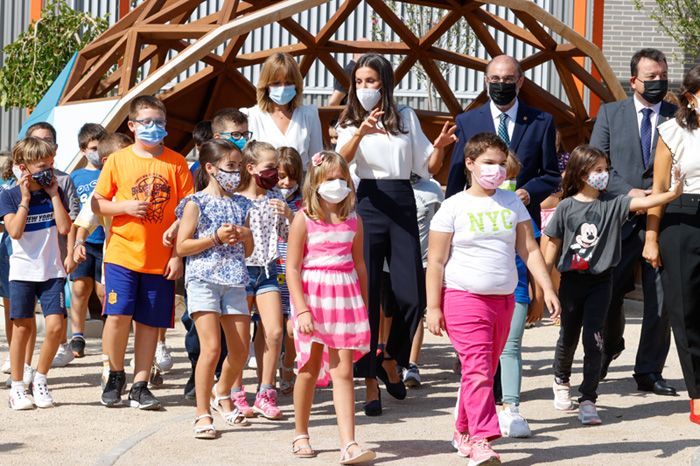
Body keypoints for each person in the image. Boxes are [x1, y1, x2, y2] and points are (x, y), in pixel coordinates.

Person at [426, 133, 560, 463]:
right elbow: (437, 260)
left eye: (501, 164)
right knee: (479, 370)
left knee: (482, 369)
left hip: (504, 299)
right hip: (463, 297)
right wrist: (432, 307)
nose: (496, 170)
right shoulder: (452, 206)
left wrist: (547, 288)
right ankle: (482, 439)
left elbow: (528, 249)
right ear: (470, 164)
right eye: (488, 163)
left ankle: (462, 431)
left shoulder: (511, 202)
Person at [336, 53, 456, 415]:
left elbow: (425, 167)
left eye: (371, 81)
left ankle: (391, 357)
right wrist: (359, 132)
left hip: (403, 198)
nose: (364, 88)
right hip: (368, 202)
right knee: (368, 298)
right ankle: (371, 381)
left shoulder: (405, 116)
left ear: (385, 84)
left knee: (411, 294)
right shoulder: (349, 120)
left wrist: (440, 147)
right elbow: (340, 163)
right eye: (358, 82)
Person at [543, 145, 683, 425]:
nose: (604, 175)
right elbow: (550, 250)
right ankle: (561, 380)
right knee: (568, 337)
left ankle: (588, 398)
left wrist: (673, 192)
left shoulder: (613, 202)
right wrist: (545, 289)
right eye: (598, 170)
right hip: (572, 282)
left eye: (606, 170)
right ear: (582, 173)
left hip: (602, 281)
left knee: (595, 339)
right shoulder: (566, 207)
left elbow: (644, 203)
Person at [92, 95, 194, 409]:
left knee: (150, 323)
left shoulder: (176, 162)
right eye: (146, 122)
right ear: (133, 125)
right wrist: (123, 207)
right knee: (118, 316)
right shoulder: (118, 160)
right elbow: (97, 202)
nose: (153, 128)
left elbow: (188, 210)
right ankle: (115, 374)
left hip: (160, 258)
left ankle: (140, 383)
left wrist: (177, 254)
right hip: (122, 253)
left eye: (159, 122)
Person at [589, 48, 677, 395]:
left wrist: (658, 196)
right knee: (608, 295)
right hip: (620, 217)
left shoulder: (678, 116)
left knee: (661, 299)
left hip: (665, 219)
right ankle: (610, 347)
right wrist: (631, 194)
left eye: (662, 75)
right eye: (651, 76)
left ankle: (649, 371)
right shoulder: (610, 114)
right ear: (634, 80)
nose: (659, 81)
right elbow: (596, 166)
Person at [286, 150, 374, 464]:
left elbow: (359, 264)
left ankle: (349, 442)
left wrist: (363, 304)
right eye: (330, 179)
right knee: (308, 368)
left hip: (345, 298)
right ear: (316, 183)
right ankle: (301, 433)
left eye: (342, 179)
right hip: (313, 297)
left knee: (344, 371)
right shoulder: (303, 219)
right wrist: (301, 309)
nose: (336, 184)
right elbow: (292, 268)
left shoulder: (354, 219)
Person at [175, 139, 253, 438]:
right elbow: (183, 246)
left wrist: (245, 236)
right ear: (210, 168)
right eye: (230, 167)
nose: (235, 174)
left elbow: (248, 251)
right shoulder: (196, 203)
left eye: (238, 167)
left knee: (240, 350)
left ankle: (223, 391)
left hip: (234, 280)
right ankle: (202, 413)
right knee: (211, 348)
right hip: (203, 280)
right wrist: (215, 238)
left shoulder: (242, 203)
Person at [643, 64, 700, 424]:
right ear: (692, 97)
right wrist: (651, 236)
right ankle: (699, 396)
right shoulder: (671, 131)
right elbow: (659, 190)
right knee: (686, 311)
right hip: (682, 222)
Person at [445, 55, 560, 227]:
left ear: (520, 82)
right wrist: (450, 218)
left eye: (508, 79)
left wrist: (528, 193)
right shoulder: (467, 121)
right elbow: (456, 177)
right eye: (495, 78)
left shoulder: (541, 122)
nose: (501, 84)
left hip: (522, 218)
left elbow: (551, 175)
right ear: (486, 81)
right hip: (478, 219)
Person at [1, 137, 72, 410]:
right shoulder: (8, 195)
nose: (49, 169)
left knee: (55, 326)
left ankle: (40, 379)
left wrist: (54, 195)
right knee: (22, 328)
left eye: (51, 163)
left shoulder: (56, 190)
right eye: (43, 165)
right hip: (21, 272)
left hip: (52, 270)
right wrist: (26, 199)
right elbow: (15, 231)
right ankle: (17, 386)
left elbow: (65, 227)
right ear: (23, 167)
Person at [72, 132, 133, 390]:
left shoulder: (142, 182)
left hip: (149, 262)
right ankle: (110, 369)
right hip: (117, 263)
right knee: (115, 316)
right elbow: (86, 218)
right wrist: (77, 243)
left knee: (141, 320)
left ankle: (145, 369)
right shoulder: (103, 190)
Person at [232, 140, 287, 420]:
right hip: (242, 272)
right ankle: (235, 390)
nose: (275, 173)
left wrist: (288, 216)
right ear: (251, 168)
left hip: (268, 270)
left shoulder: (276, 197)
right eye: (270, 167)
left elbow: (289, 235)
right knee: (239, 338)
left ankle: (266, 392)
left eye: (276, 167)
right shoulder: (236, 199)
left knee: (274, 332)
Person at [378, 172, 444, 389]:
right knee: (389, 312)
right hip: (390, 262)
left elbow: (440, 224)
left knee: (415, 310)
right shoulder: (384, 186)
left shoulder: (432, 189)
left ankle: (411, 363)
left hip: (423, 262)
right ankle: (390, 358)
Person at [24, 122, 81, 369]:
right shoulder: (18, 183)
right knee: (23, 316)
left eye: (47, 141)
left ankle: (59, 348)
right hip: (25, 260)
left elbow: (73, 220)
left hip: (55, 256)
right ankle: (22, 365)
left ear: (55, 148)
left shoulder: (63, 180)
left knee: (55, 310)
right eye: (36, 140)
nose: (42, 146)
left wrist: (71, 251)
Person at [496, 150, 538, 438]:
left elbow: (533, 252)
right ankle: (478, 407)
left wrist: (538, 294)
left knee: (510, 349)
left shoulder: (519, 211)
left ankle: (511, 407)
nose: (506, 182)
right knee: (483, 353)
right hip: (480, 291)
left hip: (518, 290)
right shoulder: (465, 206)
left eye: (512, 177)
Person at [68, 123, 107, 358]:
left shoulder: (110, 171)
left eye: (101, 147)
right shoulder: (76, 176)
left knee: (104, 292)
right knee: (81, 288)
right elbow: (73, 214)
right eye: (93, 148)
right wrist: (72, 245)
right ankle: (77, 334)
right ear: (83, 150)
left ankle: (109, 333)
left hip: (107, 241)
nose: (98, 152)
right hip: (84, 241)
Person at [244, 52, 323, 167]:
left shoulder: (309, 114)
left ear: (297, 84)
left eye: (288, 83)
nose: (282, 88)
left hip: (301, 183)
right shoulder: (251, 116)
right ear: (265, 85)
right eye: (276, 83)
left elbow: (316, 160)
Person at [275, 146, 304, 394]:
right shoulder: (266, 197)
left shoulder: (303, 202)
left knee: (291, 326)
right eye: (281, 176)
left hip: (295, 270)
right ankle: (269, 370)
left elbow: (309, 232)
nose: (286, 182)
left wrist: (291, 215)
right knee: (269, 326)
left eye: (291, 176)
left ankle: (287, 365)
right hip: (272, 269)